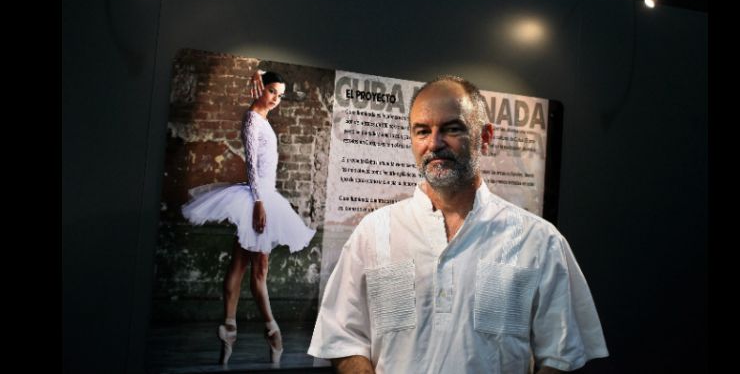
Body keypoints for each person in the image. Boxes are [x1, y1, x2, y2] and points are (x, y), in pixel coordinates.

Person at [307, 75, 608, 373]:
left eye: (452, 129)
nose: (434, 143)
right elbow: (341, 338)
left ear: (486, 137)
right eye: (422, 131)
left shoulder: (539, 241)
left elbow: (561, 355)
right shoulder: (373, 233)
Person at [181, 71, 316, 365]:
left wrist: (258, 73)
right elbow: (251, 165)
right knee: (255, 271)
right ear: (260, 89)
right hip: (258, 198)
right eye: (271, 92)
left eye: (280, 95)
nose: (275, 100)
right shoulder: (252, 119)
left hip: (265, 196)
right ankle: (271, 332)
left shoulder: (263, 118)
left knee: (244, 265)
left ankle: (231, 330)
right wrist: (258, 202)